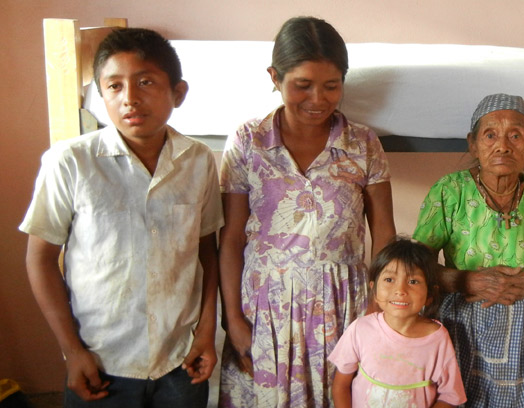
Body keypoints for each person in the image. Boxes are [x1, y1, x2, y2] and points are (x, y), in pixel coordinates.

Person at [20, 28, 222, 407]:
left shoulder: (198, 161)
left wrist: (206, 331)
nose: (130, 98)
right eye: (114, 86)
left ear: (178, 93)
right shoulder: (70, 163)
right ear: (101, 94)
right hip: (101, 361)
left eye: (145, 82)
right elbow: (40, 258)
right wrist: (72, 351)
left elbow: (206, 250)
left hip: (178, 359)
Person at [218, 16, 396, 407]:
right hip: (265, 310)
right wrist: (232, 318)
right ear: (275, 77)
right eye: (302, 85)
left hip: (342, 306)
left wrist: (374, 310)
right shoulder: (248, 141)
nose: (318, 99)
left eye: (332, 87)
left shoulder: (363, 144)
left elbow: (384, 232)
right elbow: (230, 238)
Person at [413, 93, 524, 407]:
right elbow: (416, 266)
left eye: (515, 136)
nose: (503, 146)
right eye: (490, 135)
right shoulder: (449, 191)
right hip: (464, 318)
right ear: (472, 144)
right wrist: (467, 281)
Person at [328, 237, 467, 408]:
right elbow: (341, 385)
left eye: (413, 281)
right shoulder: (360, 329)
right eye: (389, 280)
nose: (400, 290)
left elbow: (449, 397)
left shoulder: (437, 339)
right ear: (374, 289)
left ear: (430, 295)